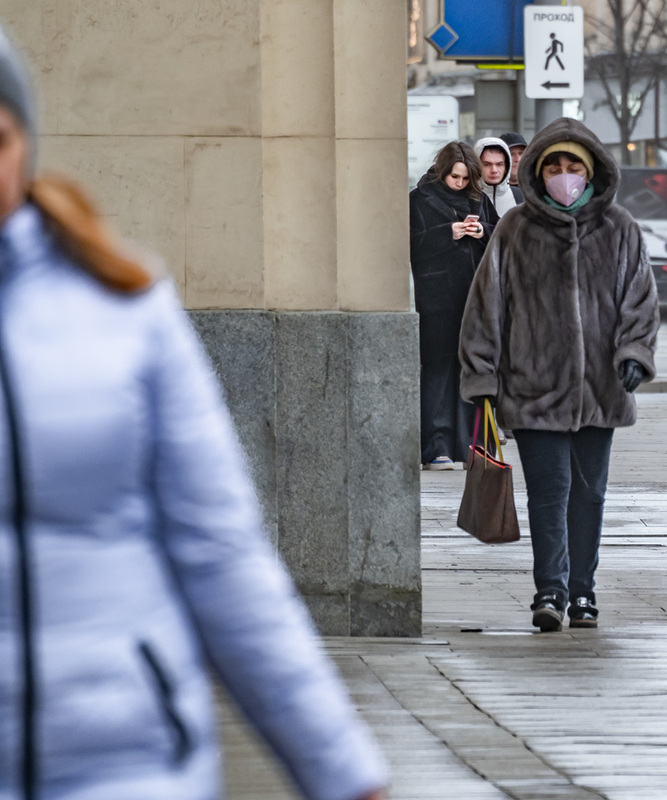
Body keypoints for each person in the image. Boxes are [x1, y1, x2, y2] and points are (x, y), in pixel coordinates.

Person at [0, 26, 385, 800]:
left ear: (25, 146)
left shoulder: (124, 303)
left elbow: (220, 553)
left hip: (128, 764)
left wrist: (342, 770)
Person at [459, 118, 658, 633]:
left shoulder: (620, 229)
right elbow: (486, 308)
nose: (564, 175)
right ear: (537, 172)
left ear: (591, 172)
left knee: (589, 493)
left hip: (600, 389)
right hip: (533, 386)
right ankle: (550, 587)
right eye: (554, 167)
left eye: (573, 167)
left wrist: (634, 352)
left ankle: (583, 592)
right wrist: (481, 376)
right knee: (549, 491)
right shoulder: (515, 230)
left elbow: (640, 299)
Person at [410, 142, 491, 471]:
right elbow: (407, 244)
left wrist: (482, 230)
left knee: (472, 371)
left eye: (465, 177)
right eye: (453, 176)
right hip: (436, 300)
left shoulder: (479, 199)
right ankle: (436, 446)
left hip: (474, 299)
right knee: (438, 372)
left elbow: (501, 235)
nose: (458, 183)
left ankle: (472, 445)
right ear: (442, 171)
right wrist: (448, 233)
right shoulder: (419, 200)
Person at [474, 137, 518, 217]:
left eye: (499, 164)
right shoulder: (466, 198)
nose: (494, 170)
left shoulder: (520, 197)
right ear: (477, 166)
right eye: (487, 164)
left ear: (506, 167)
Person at [500, 132, 527, 205]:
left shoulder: (537, 188)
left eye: (521, 153)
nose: (517, 159)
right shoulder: (492, 193)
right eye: (511, 154)